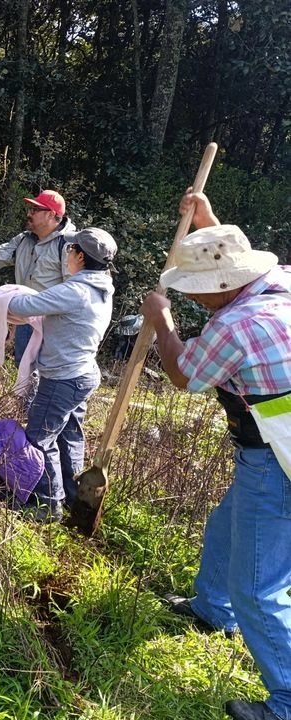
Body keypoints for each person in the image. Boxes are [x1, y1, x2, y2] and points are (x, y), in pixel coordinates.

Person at [140, 192, 291, 720]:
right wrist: (207, 223)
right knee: (225, 527)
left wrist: (162, 320)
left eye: (200, 292)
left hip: (278, 459)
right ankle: (210, 609)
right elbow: (227, 261)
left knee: (260, 589)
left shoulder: (234, 327)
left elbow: (187, 376)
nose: (195, 299)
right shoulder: (283, 284)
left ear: (224, 287)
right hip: (275, 449)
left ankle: (287, 702)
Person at [4, 228, 117, 522]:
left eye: (70, 250)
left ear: (80, 256)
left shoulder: (75, 291)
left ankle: (48, 505)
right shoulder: (103, 286)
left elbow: (23, 305)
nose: (66, 253)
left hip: (63, 378)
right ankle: (70, 494)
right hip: (83, 373)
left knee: (40, 437)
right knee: (69, 436)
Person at [0, 190, 75, 363]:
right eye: (30, 208)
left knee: (45, 369)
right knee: (22, 363)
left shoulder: (69, 245)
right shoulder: (24, 239)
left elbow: (74, 289)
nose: (29, 213)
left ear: (51, 215)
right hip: (24, 317)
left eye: (35, 210)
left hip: (52, 324)